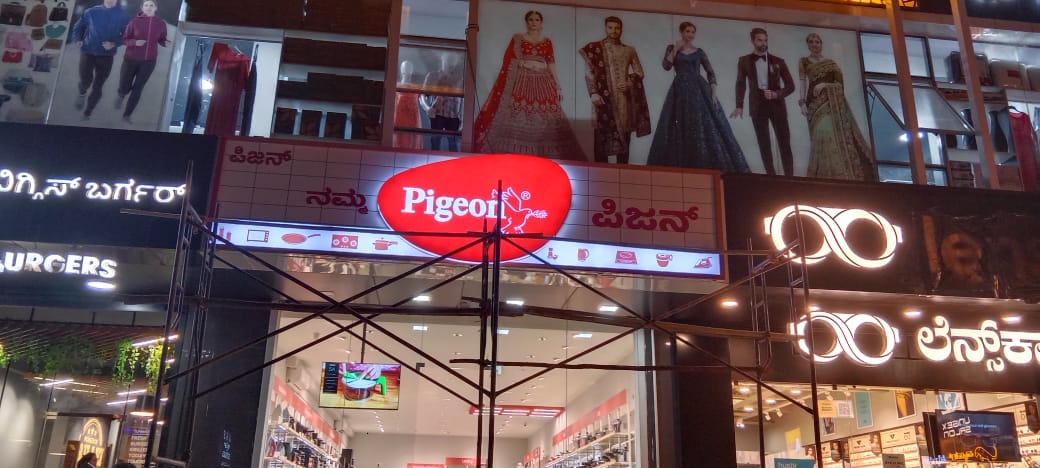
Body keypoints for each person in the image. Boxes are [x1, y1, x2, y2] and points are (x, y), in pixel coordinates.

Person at [473, 11, 585, 160]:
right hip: (521, 81)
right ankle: (515, 154)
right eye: (531, 20)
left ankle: (545, 154)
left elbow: (551, 63)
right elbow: (509, 59)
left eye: (537, 20)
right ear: (526, 22)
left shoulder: (547, 41)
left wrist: (558, 86)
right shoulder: (518, 38)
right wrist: (524, 63)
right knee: (517, 113)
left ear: (541, 23)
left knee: (549, 116)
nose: (534, 22)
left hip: (543, 83)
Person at [646, 22, 749, 172]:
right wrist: (676, 48)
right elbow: (666, 66)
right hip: (679, 91)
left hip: (699, 90)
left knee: (701, 123)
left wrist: (713, 92)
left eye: (693, 32)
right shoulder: (672, 48)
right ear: (681, 32)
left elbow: (710, 72)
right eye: (687, 31)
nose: (690, 34)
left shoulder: (699, 52)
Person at [798, 33, 874, 181]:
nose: (814, 44)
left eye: (817, 42)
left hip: (831, 106)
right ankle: (821, 175)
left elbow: (839, 85)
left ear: (821, 44)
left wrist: (824, 85)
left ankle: (837, 173)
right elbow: (802, 83)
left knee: (830, 135)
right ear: (808, 45)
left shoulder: (831, 64)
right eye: (811, 42)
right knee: (819, 136)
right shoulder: (804, 62)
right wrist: (802, 103)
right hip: (813, 106)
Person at [579, 16, 651, 164]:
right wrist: (593, 93)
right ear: (606, 28)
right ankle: (600, 171)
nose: (614, 31)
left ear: (621, 30)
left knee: (624, 133)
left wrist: (629, 83)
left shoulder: (629, 50)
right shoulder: (595, 48)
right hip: (603, 98)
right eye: (610, 27)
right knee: (601, 135)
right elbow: (589, 72)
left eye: (617, 28)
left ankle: (622, 170)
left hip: (624, 100)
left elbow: (639, 72)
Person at [730, 27, 795, 176]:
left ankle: (790, 177)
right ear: (753, 41)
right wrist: (739, 105)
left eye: (765, 40)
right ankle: (771, 177)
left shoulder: (778, 61)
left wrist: (776, 94)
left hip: (777, 105)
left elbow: (791, 86)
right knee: (764, 144)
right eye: (759, 40)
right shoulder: (744, 61)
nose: (763, 43)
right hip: (757, 106)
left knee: (784, 142)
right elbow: (740, 84)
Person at [71, 0, 129, 120]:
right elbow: (79, 26)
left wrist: (114, 43)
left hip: (106, 56)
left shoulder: (123, 15)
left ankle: (88, 112)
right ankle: (82, 93)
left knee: (98, 85)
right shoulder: (91, 11)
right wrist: (78, 39)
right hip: (88, 52)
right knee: (85, 81)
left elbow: (126, 35)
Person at [116, 0, 168, 124]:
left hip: (149, 61)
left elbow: (161, 39)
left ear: (156, 8)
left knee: (138, 88)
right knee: (125, 85)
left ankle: (127, 115)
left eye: (151, 5)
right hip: (131, 59)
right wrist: (135, 42)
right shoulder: (134, 22)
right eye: (146, 5)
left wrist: (165, 42)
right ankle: (122, 94)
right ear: (142, 7)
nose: (149, 7)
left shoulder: (161, 23)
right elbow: (124, 40)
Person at [421, 54, 464, 152]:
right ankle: (433, 160)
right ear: (442, 60)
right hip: (437, 114)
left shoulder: (460, 78)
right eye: (448, 60)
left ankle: (454, 161)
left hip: (454, 115)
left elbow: (464, 100)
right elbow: (422, 95)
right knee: (435, 142)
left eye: (453, 61)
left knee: (453, 143)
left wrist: (463, 120)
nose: (450, 64)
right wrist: (427, 109)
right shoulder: (432, 76)